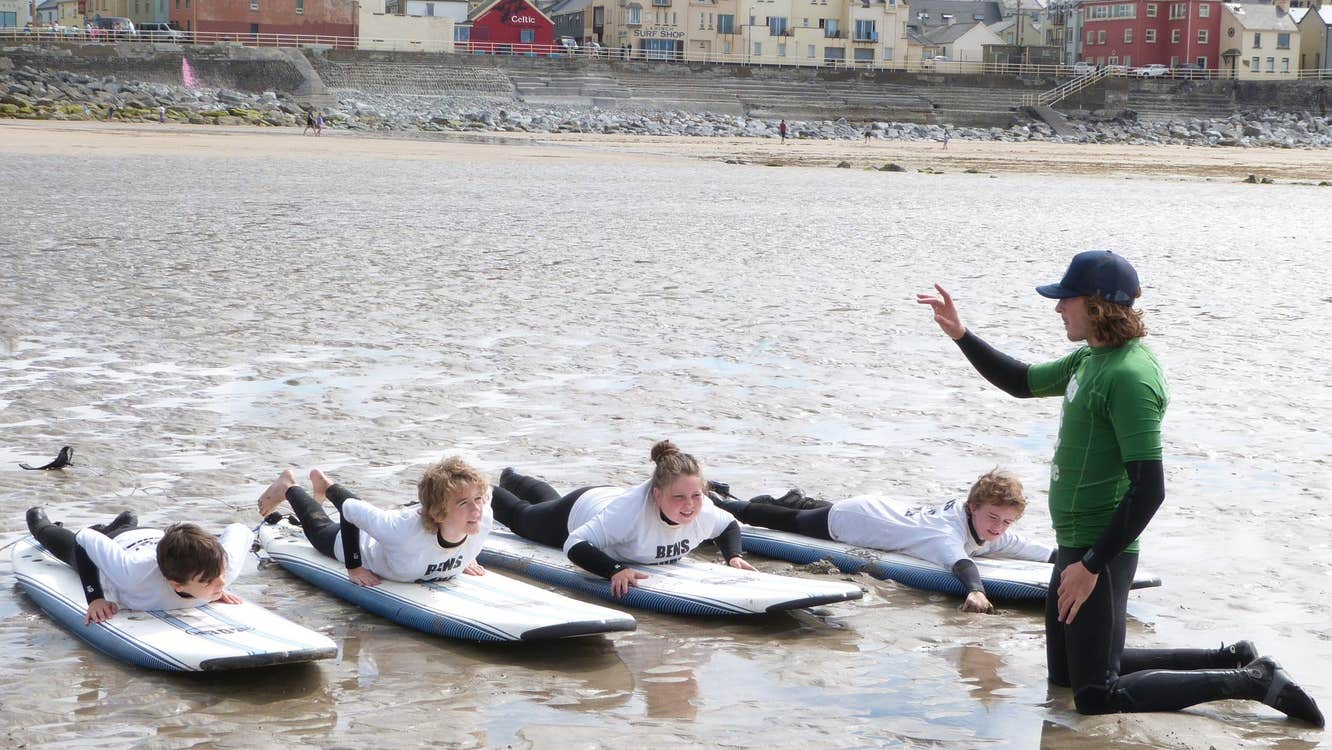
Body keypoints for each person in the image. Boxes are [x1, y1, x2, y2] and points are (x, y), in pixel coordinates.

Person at [916, 251, 1323, 726]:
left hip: (1100, 549)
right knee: (1067, 677)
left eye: (1066, 299)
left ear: (1097, 304)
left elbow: (1149, 489)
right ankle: (1231, 656)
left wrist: (1091, 566)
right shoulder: (1092, 357)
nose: (1057, 308)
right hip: (1075, 543)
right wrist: (961, 335)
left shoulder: (1130, 376)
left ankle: (1254, 680)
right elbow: (1021, 382)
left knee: (1096, 695)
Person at [712, 469, 1055, 613]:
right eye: (993, 518)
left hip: (883, 509)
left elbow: (1036, 550)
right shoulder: (946, 533)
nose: (999, 528)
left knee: (799, 509)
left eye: (1006, 521)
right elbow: (961, 564)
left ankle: (759, 496)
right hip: (856, 521)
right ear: (974, 507)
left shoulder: (986, 527)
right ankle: (719, 506)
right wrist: (976, 591)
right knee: (791, 521)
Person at [493, 440, 756, 598]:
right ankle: (490, 485)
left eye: (695, 495)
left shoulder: (704, 510)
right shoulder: (630, 515)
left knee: (546, 503)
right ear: (657, 494)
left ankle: (514, 478)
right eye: (678, 497)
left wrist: (733, 556)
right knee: (522, 517)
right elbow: (574, 544)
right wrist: (614, 570)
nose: (689, 506)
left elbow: (728, 525)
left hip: (608, 500)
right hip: (577, 511)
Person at [257, 457, 492, 587]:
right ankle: (289, 486)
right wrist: (354, 566)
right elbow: (350, 511)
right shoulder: (401, 532)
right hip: (361, 542)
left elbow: (486, 497)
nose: (476, 509)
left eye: (478, 499)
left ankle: (326, 486)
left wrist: (466, 557)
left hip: (385, 529)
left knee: (369, 514)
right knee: (320, 530)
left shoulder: (482, 518)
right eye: (463, 503)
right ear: (439, 512)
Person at [24, 507, 251, 624]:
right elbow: (85, 538)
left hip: (160, 539)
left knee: (216, 571)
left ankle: (126, 520)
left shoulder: (224, 567)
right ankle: (39, 524)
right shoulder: (132, 575)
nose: (222, 581)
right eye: (209, 580)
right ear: (177, 585)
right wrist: (95, 598)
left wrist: (212, 582)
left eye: (219, 574)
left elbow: (240, 529)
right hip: (122, 545)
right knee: (69, 550)